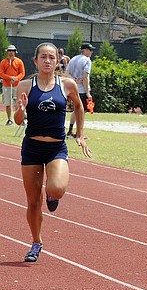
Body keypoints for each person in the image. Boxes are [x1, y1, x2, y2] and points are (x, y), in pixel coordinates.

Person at [13, 42, 92, 262]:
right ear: (36, 60)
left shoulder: (66, 84)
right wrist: (20, 110)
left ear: (58, 61)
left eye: (51, 57)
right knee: (32, 202)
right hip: (32, 148)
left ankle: (51, 194)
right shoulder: (25, 86)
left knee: (56, 189)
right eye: (43, 57)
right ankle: (36, 242)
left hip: (56, 147)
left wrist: (80, 135)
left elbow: (79, 106)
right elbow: (18, 120)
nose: (47, 61)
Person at [65, 42, 95, 138]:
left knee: (75, 109)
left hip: (73, 88)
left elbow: (66, 72)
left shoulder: (73, 59)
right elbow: (85, 77)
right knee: (81, 111)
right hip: (82, 89)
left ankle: (70, 131)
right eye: (90, 50)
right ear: (85, 50)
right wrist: (88, 92)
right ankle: (79, 133)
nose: (91, 52)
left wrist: (73, 80)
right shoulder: (87, 60)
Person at [1, 44, 26, 126]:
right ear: (7, 52)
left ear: (15, 52)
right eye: (9, 51)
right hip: (6, 85)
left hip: (17, 85)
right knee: (8, 103)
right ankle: (9, 119)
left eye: (12, 51)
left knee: (18, 102)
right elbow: (1, 73)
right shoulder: (3, 62)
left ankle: (19, 119)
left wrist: (16, 78)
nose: (11, 52)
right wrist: (9, 78)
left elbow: (22, 73)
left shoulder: (19, 62)